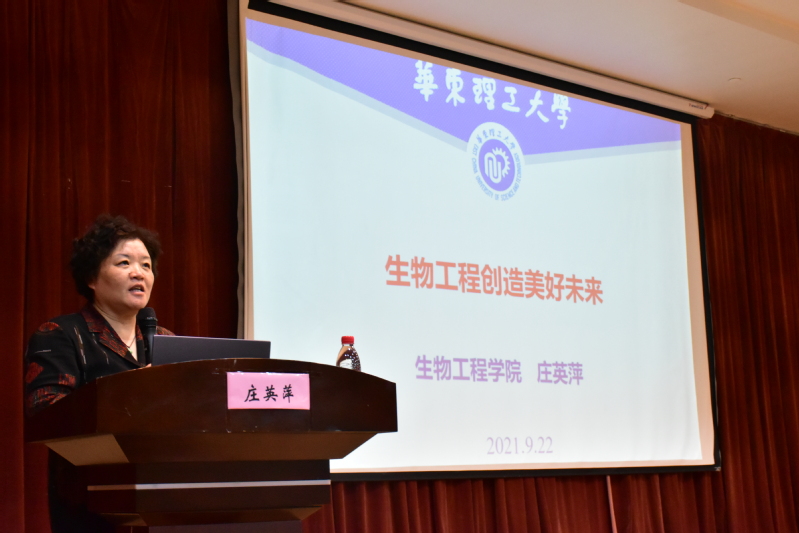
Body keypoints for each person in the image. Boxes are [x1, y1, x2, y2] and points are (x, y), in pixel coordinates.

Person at [23, 214, 174, 533]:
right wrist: (131, 391)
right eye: (124, 263)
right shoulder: (61, 335)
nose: (139, 273)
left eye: (146, 265)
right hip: (90, 501)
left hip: (163, 496)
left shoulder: (164, 341)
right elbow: (46, 413)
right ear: (92, 277)